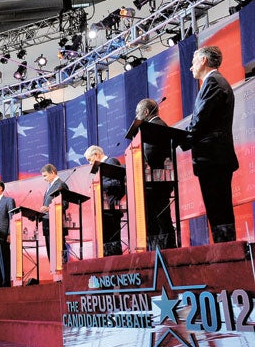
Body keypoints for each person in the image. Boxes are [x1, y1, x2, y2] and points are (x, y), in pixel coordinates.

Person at [185, 45, 239, 243]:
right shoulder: (214, 82)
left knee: (219, 209)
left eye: (193, 62)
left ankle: (226, 255)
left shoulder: (213, 83)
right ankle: (225, 252)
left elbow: (200, 120)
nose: (191, 68)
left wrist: (181, 139)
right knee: (218, 210)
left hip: (213, 157)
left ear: (203, 61)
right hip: (214, 157)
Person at [135, 98, 176, 250]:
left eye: (137, 113)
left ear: (146, 112)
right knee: (157, 219)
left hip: (157, 183)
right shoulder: (153, 126)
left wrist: (139, 160)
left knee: (161, 219)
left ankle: (166, 252)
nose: (136, 117)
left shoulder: (156, 127)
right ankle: (160, 251)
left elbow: (149, 153)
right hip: (154, 182)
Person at [84, 145, 125, 256]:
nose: (89, 163)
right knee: (105, 244)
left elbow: (117, 183)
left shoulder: (111, 161)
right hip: (102, 210)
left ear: (96, 154)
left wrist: (98, 185)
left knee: (113, 242)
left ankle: (117, 266)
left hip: (112, 209)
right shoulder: (99, 168)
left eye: (89, 159)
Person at [40, 164, 68, 259]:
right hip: (47, 223)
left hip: (56, 223)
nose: (44, 178)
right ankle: (54, 273)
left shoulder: (61, 184)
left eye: (45, 175)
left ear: (52, 172)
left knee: (58, 253)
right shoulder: (50, 186)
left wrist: (49, 208)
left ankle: (63, 272)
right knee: (51, 254)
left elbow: (65, 204)